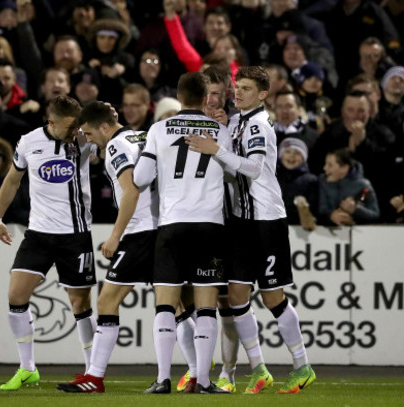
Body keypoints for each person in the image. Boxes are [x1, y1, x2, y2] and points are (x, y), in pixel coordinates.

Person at [186, 66, 316, 394]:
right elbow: (231, 160)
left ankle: (302, 365)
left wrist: (216, 148)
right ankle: (258, 368)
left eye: (245, 88)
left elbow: (255, 169)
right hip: (242, 220)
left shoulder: (258, 124)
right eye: (236, 86)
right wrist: (219, 128)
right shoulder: (240, 121)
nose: (237, 92)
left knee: (273, 296)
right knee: (237, 295)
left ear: (262, 94)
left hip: (266, 220)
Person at [133, 72, 232, 394]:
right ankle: (203, 380)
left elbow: (141, 178)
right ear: (207, 99)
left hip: (172, 224)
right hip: (210, 226)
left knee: (165, 306)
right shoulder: (221, 131)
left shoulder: (159, 129)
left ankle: (162, 379)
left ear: (178, 97)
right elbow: (233, 175)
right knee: (206, 307)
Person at [0, 95, 97, 391]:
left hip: (75, 234)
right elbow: (13, 179)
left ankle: (92, 371)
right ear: (50, 123)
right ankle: (27, 368)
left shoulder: (84, 140)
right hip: (38, 234)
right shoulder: (28, 142)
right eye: (69, 126)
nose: (74, 130)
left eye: (78, 124)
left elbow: (112, 138)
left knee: (80, 305)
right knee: (16, 296)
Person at [56, 101, 158, 393]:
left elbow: (130, 191)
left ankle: (95, 377)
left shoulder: (115, 147)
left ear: (104, 126)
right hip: (161, 226)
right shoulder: (141, 136)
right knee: (177, 304)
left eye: (88, 134)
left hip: (140, 231)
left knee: (106, 302)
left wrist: (115, 236)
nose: (87, 140)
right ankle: (197, 373)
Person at [318, 148, 380, 225]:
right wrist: (331, 215)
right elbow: (321, 209)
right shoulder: (323, 181)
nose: (324, 168)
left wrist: (355, 209)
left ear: (344, 168)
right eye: (325, 164)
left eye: (330, 165)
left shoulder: (363, 186)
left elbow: (375, 215)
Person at [277, 138, 318, 230]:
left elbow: (314, 210)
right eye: (287, 152)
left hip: (300, 231)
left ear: (304, 158)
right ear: (280, 155)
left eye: (297, 153)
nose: (292, 156)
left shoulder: (311, 181)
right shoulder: (271, 178)